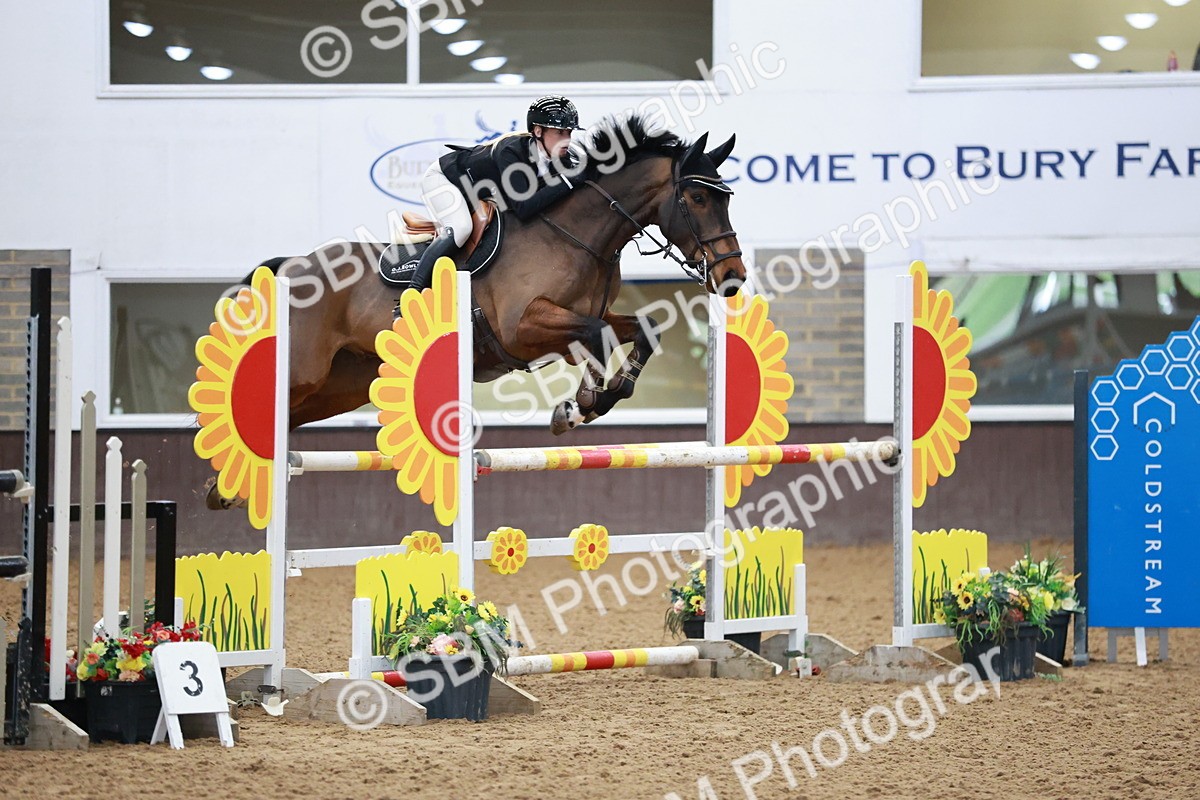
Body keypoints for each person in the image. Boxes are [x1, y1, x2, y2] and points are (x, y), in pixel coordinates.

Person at [408, 96, 583, 292]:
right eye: (559, 132)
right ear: (538, 131)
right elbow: (524, 208)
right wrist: (567, 181)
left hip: (477, 189)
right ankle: (413, 291)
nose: (567, 139)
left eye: (569, 132)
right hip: (445, 178)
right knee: (461, 227)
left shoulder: (563, 156)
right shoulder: (511, 152)